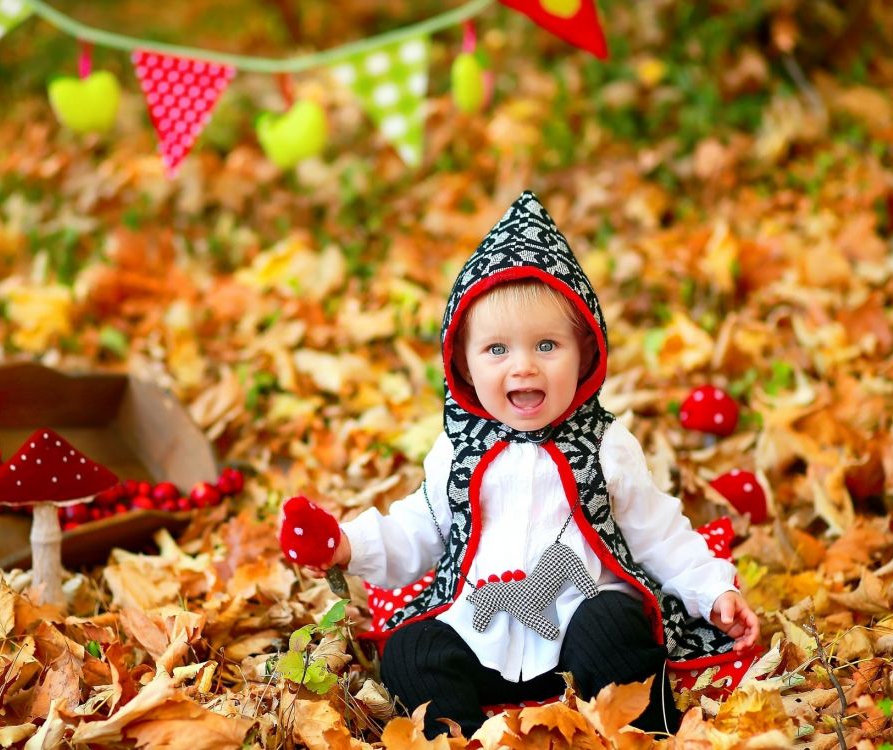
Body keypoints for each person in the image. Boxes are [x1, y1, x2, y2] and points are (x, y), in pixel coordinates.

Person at [278, 190, 759, 738]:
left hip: (579, 629)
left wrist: (713, 588)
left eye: (548, 345)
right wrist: (348, 546)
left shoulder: (605, 443)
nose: (523, 366)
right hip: (483, 628)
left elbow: (658, 532)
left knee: (615, 626)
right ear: (462, 360)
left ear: (585, 353)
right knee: (411, 652)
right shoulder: (459, 448)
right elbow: (422, 529)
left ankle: (639, 731)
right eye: (498, 350)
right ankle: (455, 736)